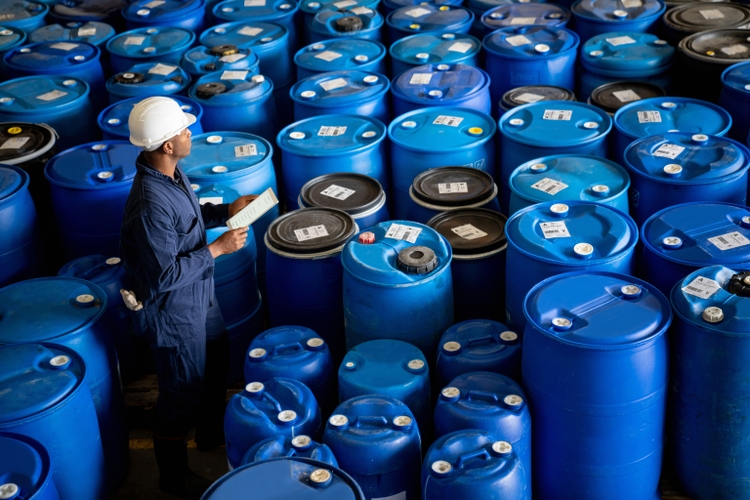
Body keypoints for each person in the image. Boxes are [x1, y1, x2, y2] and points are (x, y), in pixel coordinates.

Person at [119, 97, 257, 499]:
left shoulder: (170, 173)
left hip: (199, 295)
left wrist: (225, 213)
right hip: (174, 309)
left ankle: (210, 434)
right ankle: (174, 479)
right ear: (166, 144)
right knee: (180, 393)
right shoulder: (150, 204)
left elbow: (189, 220)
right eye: (182, 130)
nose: (188, 134)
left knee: (217, 359)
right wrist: (220, 248)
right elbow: (163, 276)